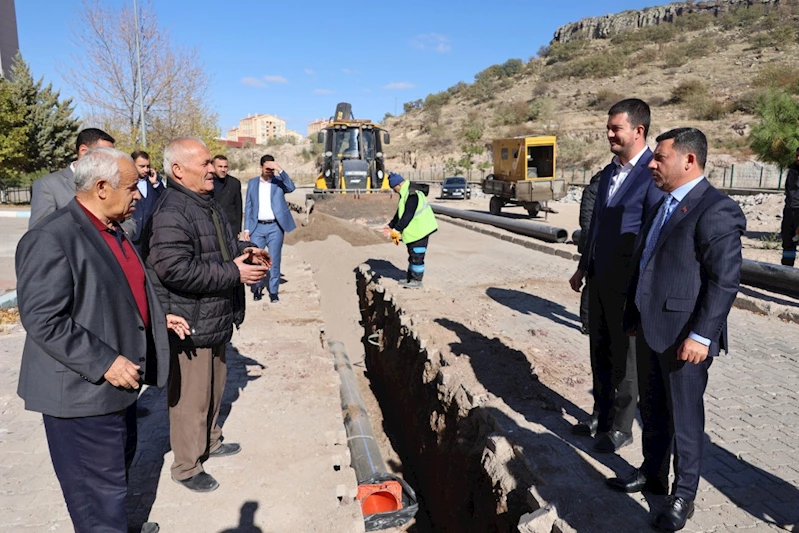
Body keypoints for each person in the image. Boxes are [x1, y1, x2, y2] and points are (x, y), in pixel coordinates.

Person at [16, 147, 190, 533]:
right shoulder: (53, 237)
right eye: (131, 188)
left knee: (111, 486)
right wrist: (105, 362)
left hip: (116, 391)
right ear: (101, 188)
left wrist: (158, 319)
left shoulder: (113, 230)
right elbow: (43, 318)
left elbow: (121, 293)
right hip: (81, 395)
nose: (139, 195)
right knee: (96, 503)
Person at [607, 128, 745, 532]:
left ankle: (683, 495)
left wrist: (702, 335)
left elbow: (724, 281)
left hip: (686, 337)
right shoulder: (663, 204)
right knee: (652, 410)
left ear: (689, 161)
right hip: (652, 329)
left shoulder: (716, 209)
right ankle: (653, 473)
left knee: (684, 420)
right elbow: (646, 263)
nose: (651, 163)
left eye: (660, 157)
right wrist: (635, 317)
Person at [144, 138, 270, 493]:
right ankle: (186, 466)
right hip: (191, 321)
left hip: (215, 315)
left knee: (214, 387)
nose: (212, 169)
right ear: (179, 170)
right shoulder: (172, 211)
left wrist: (248, 251)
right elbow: (176, 270)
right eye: (203, 164)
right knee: (190, 398)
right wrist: (235, 273)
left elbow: (222, 246)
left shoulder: (203, 202)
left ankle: (210, 441)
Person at [568, 98, 664, 453]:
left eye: (615, 128)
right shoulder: (608, 173)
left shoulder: (653, 174)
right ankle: (601, 415)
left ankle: (622, 428)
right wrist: (583, 266)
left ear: (638, 131)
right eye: (608, 127)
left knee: (627, 359)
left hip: (629, 286)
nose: (608, 134)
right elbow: (595, 225)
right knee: (600, 350)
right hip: (598, 279)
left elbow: (654, 234)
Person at [29, 128, 133, 236]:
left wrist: (118, 234)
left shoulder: (112, 181)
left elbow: (129, 220)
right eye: (106, 154)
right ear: (84, 151)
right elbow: (38, 233)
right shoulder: (49, 185)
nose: (112, 160)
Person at [243, 155, 296, 302]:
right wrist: (247, 229)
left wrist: (280, 169)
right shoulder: (253, 183)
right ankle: (258, 288)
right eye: (267, 168)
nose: (270, 171)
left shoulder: (279, 182)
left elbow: (291, 187)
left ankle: (273, 291)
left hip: (275, 227)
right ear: (260, 168)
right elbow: (248, 206)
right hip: (257, 227)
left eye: (272, 169)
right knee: (256, 260)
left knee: (274, 260)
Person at [383, 172, 438, 289]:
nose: (394, 191)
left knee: (417, 255)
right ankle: (410, 278)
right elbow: (400, 214)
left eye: (393, 188)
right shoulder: (406, 194)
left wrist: (397, 230)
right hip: (414, 231)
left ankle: (417, 281)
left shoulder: (412, 195)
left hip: (421, 230)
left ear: (398, 185)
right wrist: (391, 225)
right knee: (412, 255)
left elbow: (408, 215)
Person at [577, 171, 602, 335]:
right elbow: (586, 219)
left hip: (604, 245)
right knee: (591, 285)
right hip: (592, 245)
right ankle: (586, 322)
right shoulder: (593, 191)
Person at [130, 150, 164, 252]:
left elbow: (165, 198)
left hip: (153, 235)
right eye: (142, 166)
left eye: (148, 166)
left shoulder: (154, 180)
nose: (146, 169)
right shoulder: (126, 183)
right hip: (134, 236)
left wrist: (156, 184)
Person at [212, 154, 244, 236]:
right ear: (213, 167)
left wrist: (238, 229)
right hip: (212, 226)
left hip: (230, 227)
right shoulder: (207, 182)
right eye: (220, 166)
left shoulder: (234, 183)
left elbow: (238, 207)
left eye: (225, 167)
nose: (223, 169)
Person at [780, 147, 799, 266]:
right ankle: (786, 274)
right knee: (787, 242)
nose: (798, 158)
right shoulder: (792, 170)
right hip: (789, 211)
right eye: (797, 155)